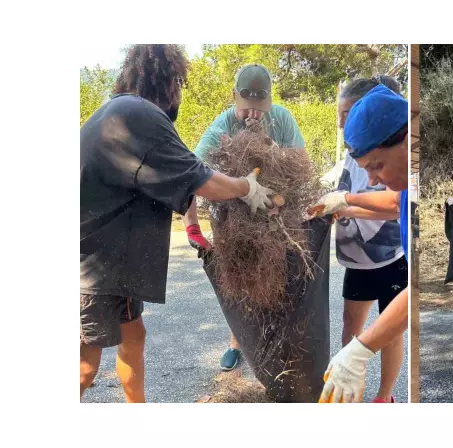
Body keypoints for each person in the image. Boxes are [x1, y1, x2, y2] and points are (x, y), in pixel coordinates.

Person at [80, 45, 276, 402]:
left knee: (133, 337)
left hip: (113, 263)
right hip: (89, 265)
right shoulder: (137, 113)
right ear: (169, 82)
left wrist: (193, 222)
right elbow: (200, 178)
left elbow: (171, 180)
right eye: (180, 86)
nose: (180, 96)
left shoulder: (120, 111)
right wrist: (246, 186)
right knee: (84, 366)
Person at [181, 63, 306, 371]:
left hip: (275, 218)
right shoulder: (222, 125)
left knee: (278, 278)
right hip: (231, 218)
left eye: (259, 109)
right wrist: (192, 225)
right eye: (246, 109)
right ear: (235, 98)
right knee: (237, 280)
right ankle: (237, 342)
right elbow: (189, 174)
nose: (252, 115)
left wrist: (279, 200)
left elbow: (300, 167)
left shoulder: (283, 120)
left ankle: (277, 342)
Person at [310, 84, 409, 403]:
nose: (371, 180)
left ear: (407, 139)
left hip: (388, 262)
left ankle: (386, 398)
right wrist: (345, 201)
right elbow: (395, 199)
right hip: (358, 262)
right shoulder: (407, 184)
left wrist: (360, 351)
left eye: (377, 166)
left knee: (389, 328)